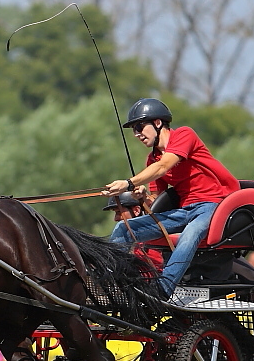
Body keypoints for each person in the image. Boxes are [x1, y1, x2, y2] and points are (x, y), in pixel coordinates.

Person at [102, 98, 240, 297]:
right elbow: (156, 200)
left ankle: (161, 291)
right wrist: (143, 197)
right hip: (184, 211)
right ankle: (112, 284)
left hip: (214, 205)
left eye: (140, 127)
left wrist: (128, 183)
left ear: (157, 123)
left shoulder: (184, 134)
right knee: (124, 228)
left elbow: (164, 166)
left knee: (190, 234)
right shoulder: (152, 158)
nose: (137, 134)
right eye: (134, 130)